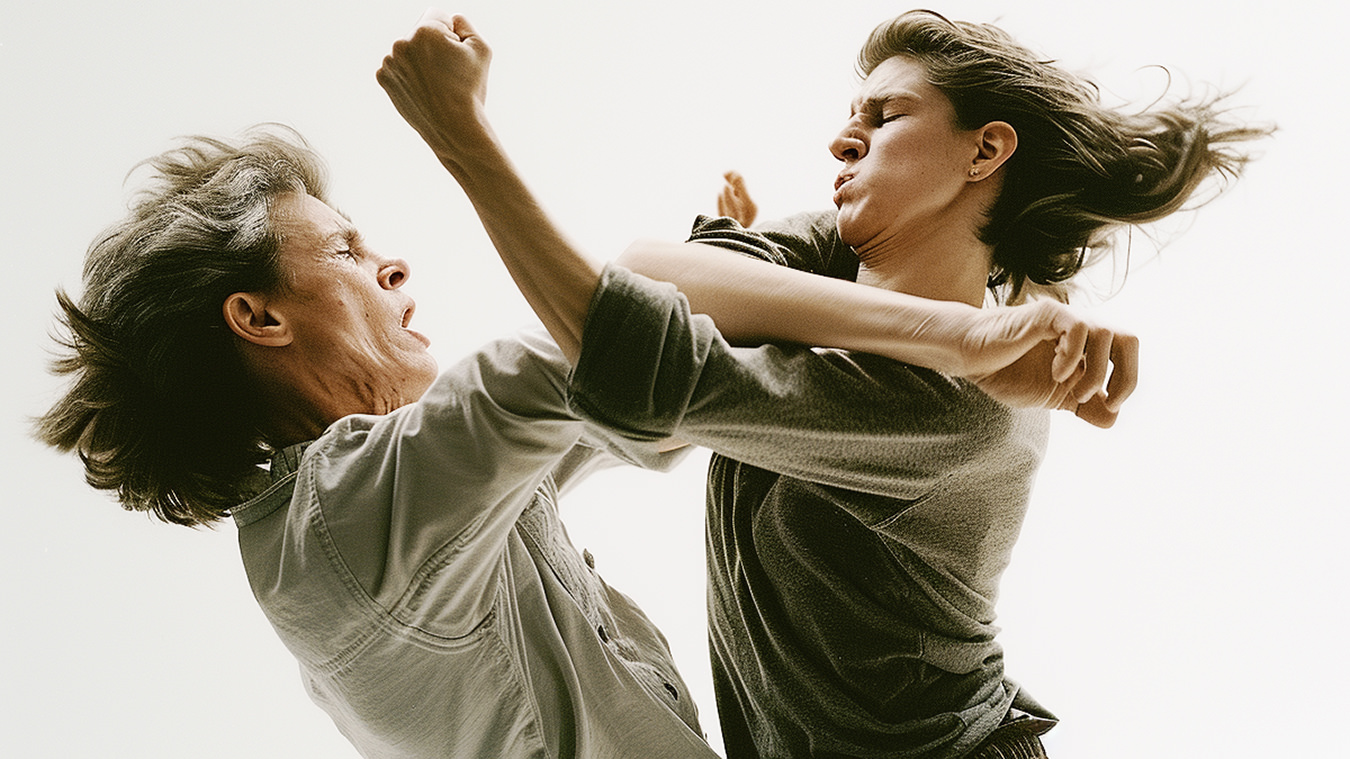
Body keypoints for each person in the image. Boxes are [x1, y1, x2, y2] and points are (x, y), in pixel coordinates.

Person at [32, 39, 1132, 759]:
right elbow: (613, 349)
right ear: (258, 318)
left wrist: (730, 259)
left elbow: (646, 364)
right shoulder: (356, 518)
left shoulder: (386, 510)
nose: (393, 265)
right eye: (347, 253)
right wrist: (965, 334)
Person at [375, 9, 1265, 759]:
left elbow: (637, 356)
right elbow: (657, 271)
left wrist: (463, 135)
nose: (843, 138)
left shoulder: (957, 408)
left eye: (885, 115)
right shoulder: (843, 256)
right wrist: (946, 329)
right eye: (850, 117)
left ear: (985, 150)